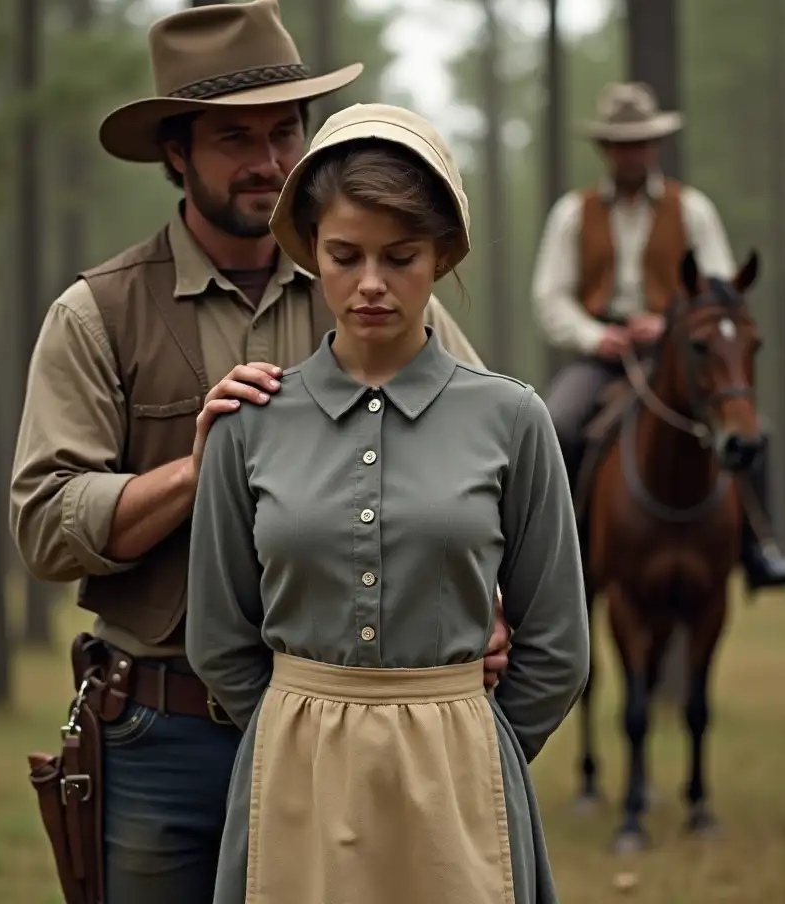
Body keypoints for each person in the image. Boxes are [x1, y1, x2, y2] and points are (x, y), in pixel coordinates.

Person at [8, 0, 510, 904]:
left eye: (285, 132)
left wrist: (494, 600)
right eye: (235, 140)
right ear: (176, 152)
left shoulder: (372, 281)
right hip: (165, 732)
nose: (270, 163)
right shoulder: (96, 313)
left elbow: (480, 457)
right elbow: (44, 525)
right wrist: (198, 473)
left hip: (343, 733)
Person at [186, 102, 590, 904]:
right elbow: (219, 636)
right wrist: (292, 731)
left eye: (400, 256)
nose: (371, 283)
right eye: (345, 255)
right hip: (295, 776)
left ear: (441, 256)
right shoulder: (249, 423)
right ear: (310, 256)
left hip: (460, 777)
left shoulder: (512, 419)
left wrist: (481, 745)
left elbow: (558, 644)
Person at [530, 80, 785, 594]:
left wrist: (668, 325)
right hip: (603, 358)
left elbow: (720, 290)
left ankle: (759, 546)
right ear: (605, 148)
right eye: (621, 142)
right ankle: (553, 556)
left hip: (681, 355)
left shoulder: (692, 209)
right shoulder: (574, 212)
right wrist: (596, 337)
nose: (631, 152)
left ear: (654, 145)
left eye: (640, 141)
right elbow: (550, 296)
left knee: (752, 431)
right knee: (557, 422)